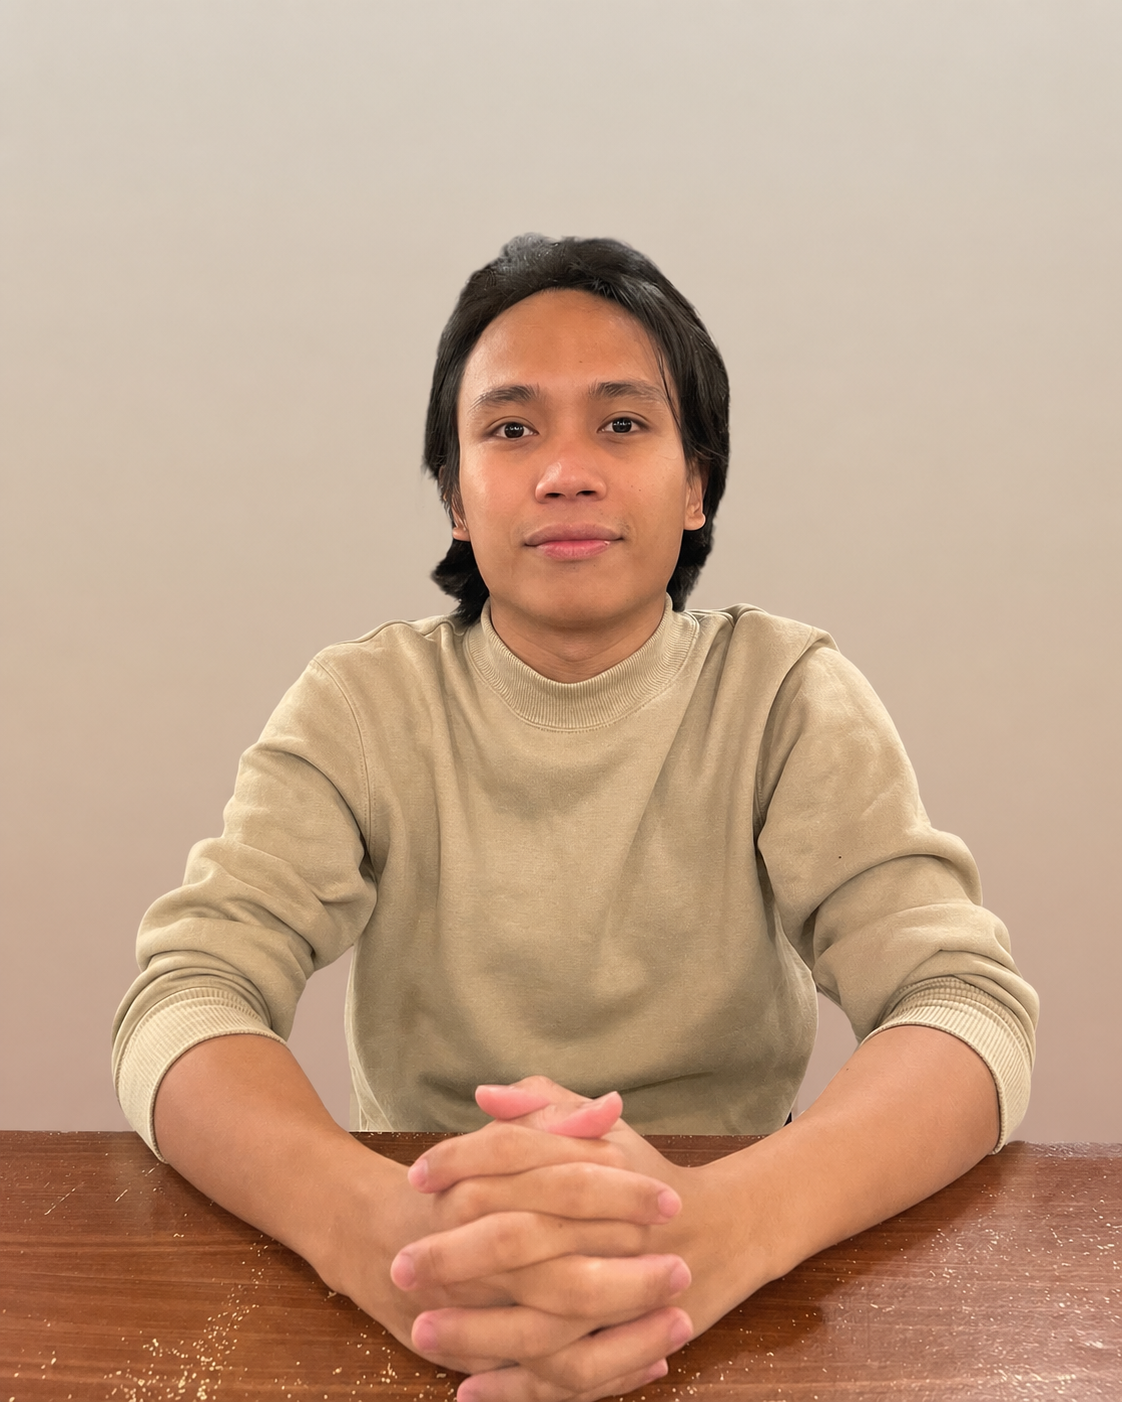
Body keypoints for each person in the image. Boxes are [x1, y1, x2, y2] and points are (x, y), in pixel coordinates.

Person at [112, 235, 1038, 1402]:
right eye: (509, 429)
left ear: (697, 483)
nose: (566, 471)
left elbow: (965, 1004)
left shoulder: (784, 692)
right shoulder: (362, 704)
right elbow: (185, 993)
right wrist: (376, 1234)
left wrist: (722, 1227)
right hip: (430, 1258)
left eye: (622, 424)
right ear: (456, 495)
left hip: (734, 1275)